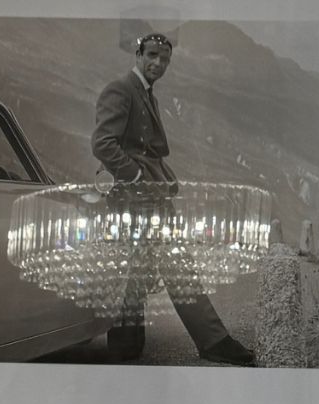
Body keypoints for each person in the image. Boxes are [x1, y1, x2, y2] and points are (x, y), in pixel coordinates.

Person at [91, 32, 258, 366]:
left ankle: (127, 344)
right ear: (138, 55)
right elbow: (103, 143)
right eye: (152, 55)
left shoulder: (145, 93)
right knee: (172, 267)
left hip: (148, 198)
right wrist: (137, 178)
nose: (158, 63)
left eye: (164, 59)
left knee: (136, 270)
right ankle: (213, 341)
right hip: (136, 200)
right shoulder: (121, 89)